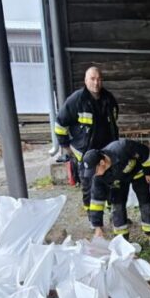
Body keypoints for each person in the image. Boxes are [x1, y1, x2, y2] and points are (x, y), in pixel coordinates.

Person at [54, 66, 120, 209]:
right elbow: (60, 124)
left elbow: (114, 121)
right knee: (89, 187)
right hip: (85, 153)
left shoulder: (109, 98)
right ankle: (93, 219)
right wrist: (65, 146)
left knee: (110, 183)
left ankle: (114, 216)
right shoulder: (76, 100)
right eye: (92, 79)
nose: (96, 83)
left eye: (99, 79)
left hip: (106, 151)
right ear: (85, 80)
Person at [81, 140, 150, 242]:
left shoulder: (123, 148)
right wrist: (97, 226)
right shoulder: (98, 177)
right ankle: (121, 239)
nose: (94, 174)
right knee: (117, 204)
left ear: (102, 162)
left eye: (95, 170)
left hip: (137, 173)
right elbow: (96, 200)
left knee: (145, 201)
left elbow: (145, 153)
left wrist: (148, 172)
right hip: (118, 181)